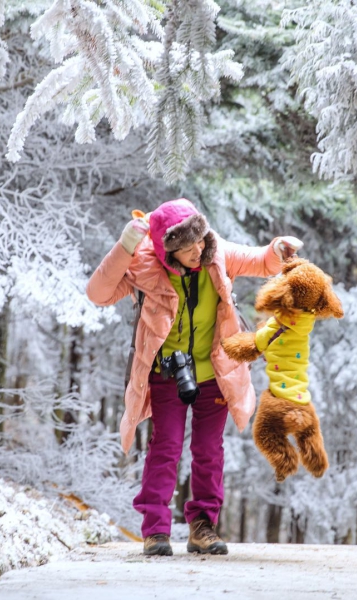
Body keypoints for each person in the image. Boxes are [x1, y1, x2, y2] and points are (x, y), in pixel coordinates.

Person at [86, 198, 302, 556]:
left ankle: (203, 526)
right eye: (187, 248)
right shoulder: (144, 266)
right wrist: (125, 246)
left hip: (215, 371)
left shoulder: (216, 254)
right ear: (166, 249)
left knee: (208, 450)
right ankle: (155, 531)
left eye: (199, 241)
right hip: (167, 374)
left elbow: (262, 261)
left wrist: (279, 249)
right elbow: (98, 293)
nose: (197, 251)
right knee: (165, 448)